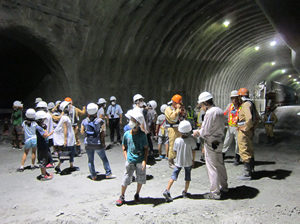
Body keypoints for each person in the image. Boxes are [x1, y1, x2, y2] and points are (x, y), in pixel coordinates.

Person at [193, 92, 228, 200]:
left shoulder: (209, 113)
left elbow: (205, 131)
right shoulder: (219, 110)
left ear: (205, 103)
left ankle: (215, 193)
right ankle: (224, 187)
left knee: (212, 166)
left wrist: (197, 133)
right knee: (220, 164)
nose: (201, 107)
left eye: (201, 105)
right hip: (219, 140)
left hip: (210, 142)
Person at [116, 111, 148, 206]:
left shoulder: (142, 135)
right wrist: (126, 158)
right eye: (131, 119)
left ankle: (137, 194)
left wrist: (144, 161)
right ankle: (122, 196)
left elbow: (146, 149)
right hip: (130, 161)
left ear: (138, 123)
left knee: (140, 178)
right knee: (126, 178)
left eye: (133, 120)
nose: (131, 121)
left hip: (139, 161)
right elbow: (124, 147)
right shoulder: (126, 134)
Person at [81, 103, 116, 180]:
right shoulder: (100, 121)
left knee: (90, 160)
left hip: (88, 143)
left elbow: (82, 132)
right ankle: (108, 173)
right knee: (104, 158)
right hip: (97, 143)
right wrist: (103, 143)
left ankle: (93, 175)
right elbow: (103, 132)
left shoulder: (84, 121)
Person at [163, 120, 196, 202]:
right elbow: (193, 151)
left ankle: (167, 190)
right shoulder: (191, 141)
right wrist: (193, 161)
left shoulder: (177, 140)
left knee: (173, 176)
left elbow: (175, 151)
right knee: (187, 177)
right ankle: (185, 192)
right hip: (188, 162)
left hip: (178, 162)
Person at [236, 88, 260, 180]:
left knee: (244, 150)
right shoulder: (251, 104)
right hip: (250, 131)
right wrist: (253, 128)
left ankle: (247, 173)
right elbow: (257, 118)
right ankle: (251, 169)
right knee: (250, 150)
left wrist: (246, 128)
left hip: (244, 131)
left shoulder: (245, 105)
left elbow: (249, 118)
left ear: (240, 96)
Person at [54, 101, 79, 174]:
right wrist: (65, 140)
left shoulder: (66, 116)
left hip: (71, 137)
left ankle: (71, 166)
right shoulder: (64, 117)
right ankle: (58, 166)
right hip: (68, 138)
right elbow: (65, 129)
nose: (70, 107)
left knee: (72, 152)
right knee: (66, 154)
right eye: (68, 106)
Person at [222, 90, 242, 165]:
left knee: (238, 143)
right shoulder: (230, 106)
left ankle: (237, 158)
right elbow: (224, 113)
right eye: (233, 98)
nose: (234, 100)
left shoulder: (242, 106)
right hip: (230, 127)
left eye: (236, 98)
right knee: (226, 142)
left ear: (239, 98)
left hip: (238, 128)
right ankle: (222, 156)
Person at [164, 94, 183, 169]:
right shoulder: (168, 109)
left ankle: (178, 158)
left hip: (178, 128)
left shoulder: (177, 109)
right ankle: (170, 161)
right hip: (172, 129)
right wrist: (178, 110)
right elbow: (172, 116)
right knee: (172, 144)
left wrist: (182, 111)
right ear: (174, 103)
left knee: (179, 144)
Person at [35, 110, 54, 181]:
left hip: (43, 145)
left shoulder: (39, 127)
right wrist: (50, 133)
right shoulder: (38, 128)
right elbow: (45, 135)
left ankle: (45, 172)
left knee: (45, 159)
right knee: (43, 159)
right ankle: (43, 175)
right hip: (42, 146)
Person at [36, 101, 55, 168]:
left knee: (47, 150)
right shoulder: (48, 115)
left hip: (47, 136)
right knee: (47, 150)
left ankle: (50, 162)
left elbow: (45, 127)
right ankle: (49, 162)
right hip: (49, 135)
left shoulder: (45, 116)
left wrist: (48, 133)